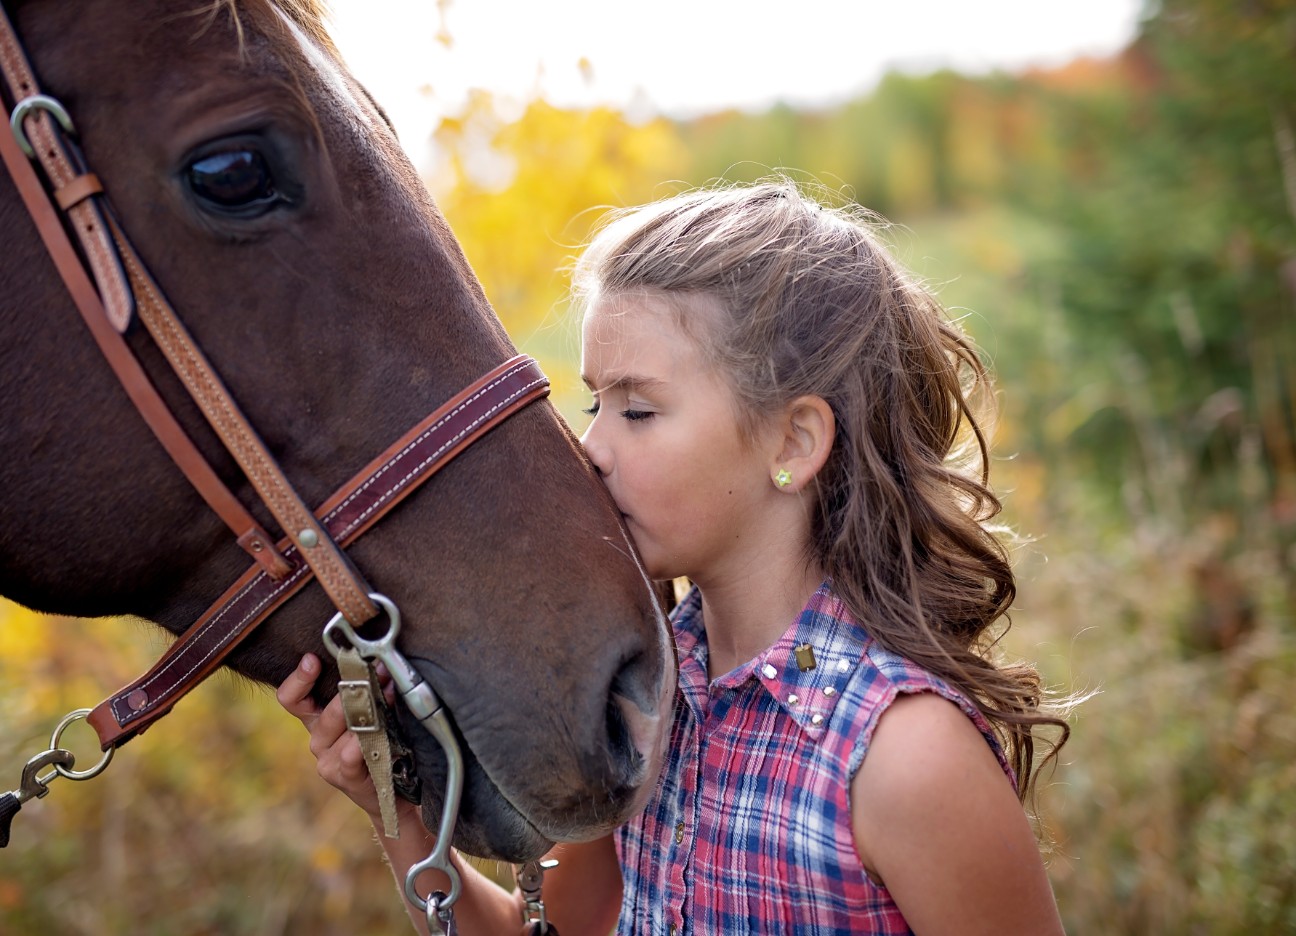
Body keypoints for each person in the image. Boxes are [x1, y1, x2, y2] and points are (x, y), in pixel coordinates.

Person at [278, 177, 1073, 935]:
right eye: (595, 404)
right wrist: (395, 804)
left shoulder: (905, 757)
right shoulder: (641, 703)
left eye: (639, 409)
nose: (589, 448)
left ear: (793, 441)